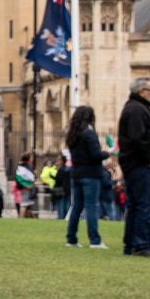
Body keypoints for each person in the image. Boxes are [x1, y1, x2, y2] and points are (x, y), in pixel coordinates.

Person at [116, 77, 150, 257]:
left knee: (135, 205)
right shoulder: (137, 110)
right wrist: (149, 157)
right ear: (141, 91)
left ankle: (131, 244)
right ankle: (141, 244)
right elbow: (138, 139)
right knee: (144, 204)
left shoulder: (137, 108)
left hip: (134, 163)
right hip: (139, 164)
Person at [63, 106, 106, 249]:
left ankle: (71, 238)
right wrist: (108, 153)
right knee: (91, 207)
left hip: (76, 174)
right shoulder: (89, 133)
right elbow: (95, 155)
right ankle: (95, 240)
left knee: (76, 206)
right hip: (90, 174)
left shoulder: (73, 135)